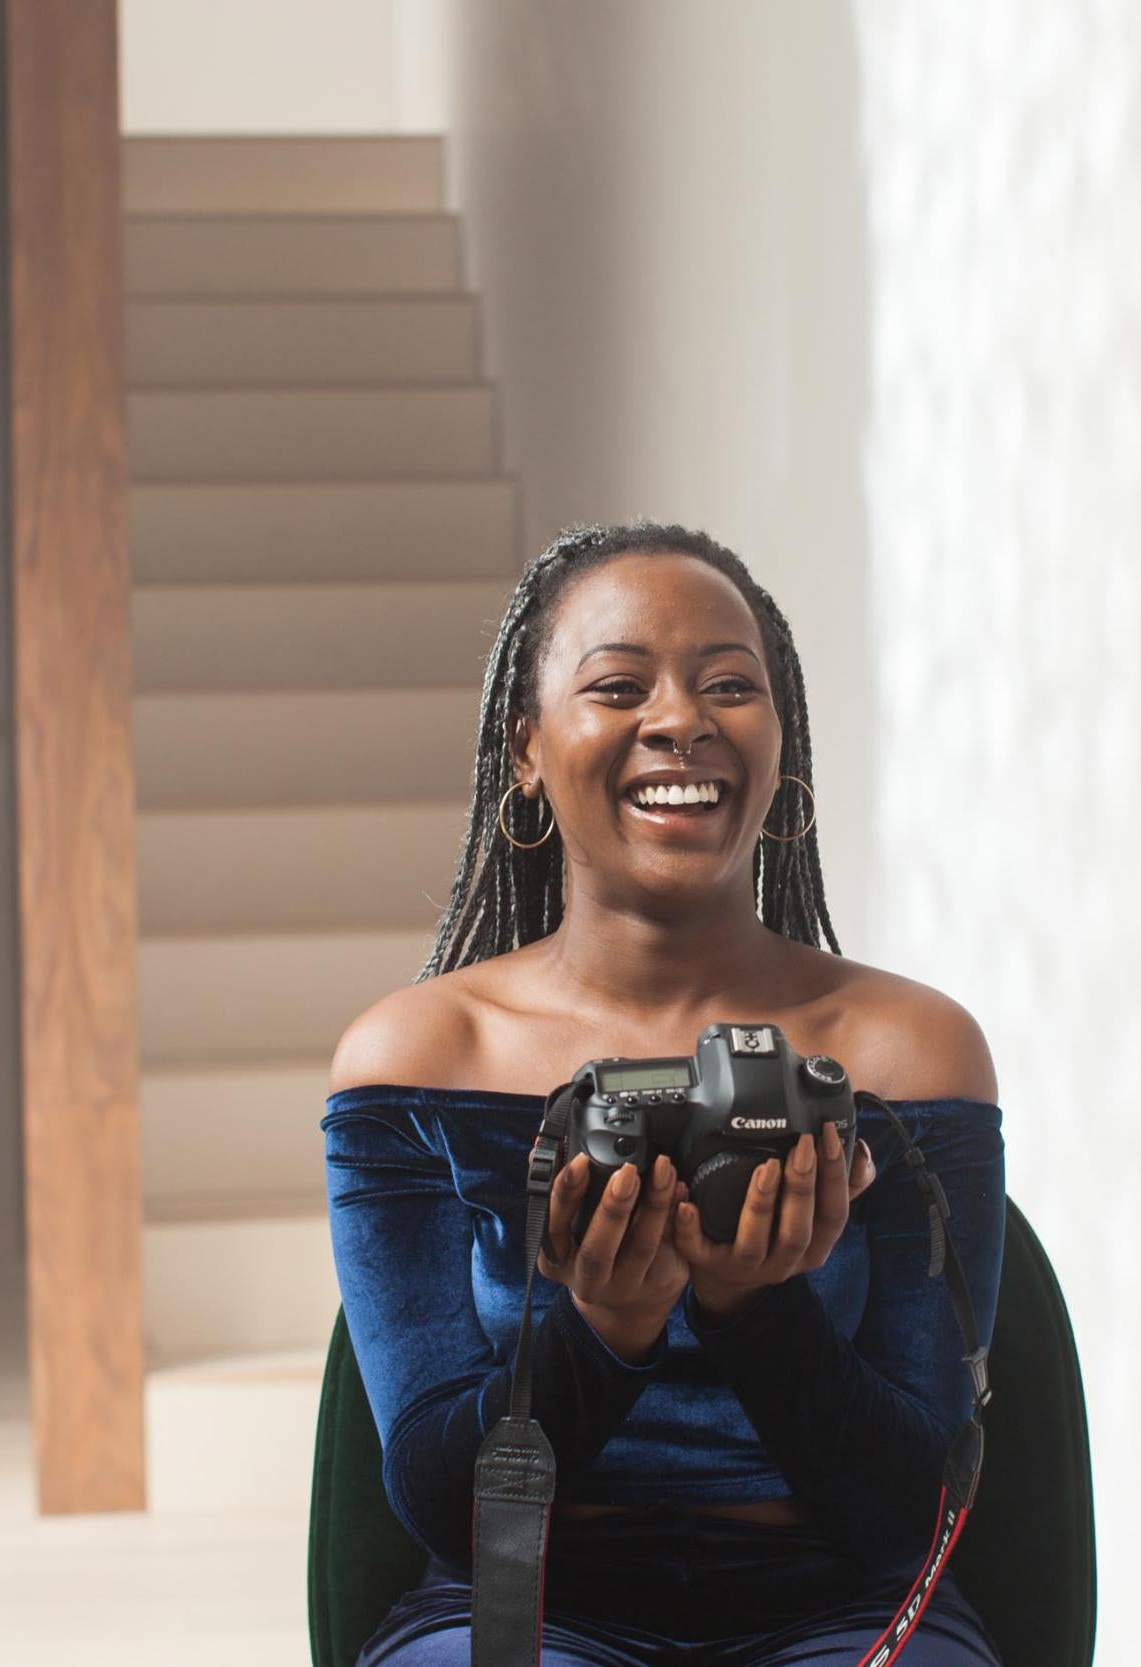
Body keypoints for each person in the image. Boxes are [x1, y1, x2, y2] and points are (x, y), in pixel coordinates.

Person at [324, 522, 1008, 1665]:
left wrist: (755, 1305)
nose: (681, 717)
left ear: (780, 745)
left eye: (731, 684)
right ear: (527, 746)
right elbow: (442, 1509)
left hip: (843, 1599)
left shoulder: (906, 1052)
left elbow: (909, 1519)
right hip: (520, 1605)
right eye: (618, 684)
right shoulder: (421, 1054)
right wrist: (605, 1331)